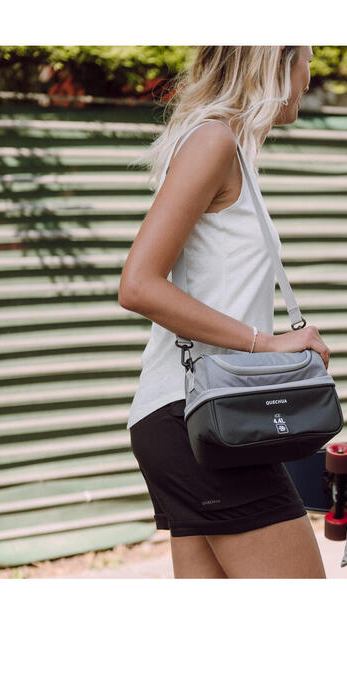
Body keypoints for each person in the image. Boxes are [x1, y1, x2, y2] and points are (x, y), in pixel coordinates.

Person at [119, 46, 329, 578]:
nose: (311, 73)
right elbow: (139, 285)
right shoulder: (214, 140)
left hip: (193, 417)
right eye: (307, 56)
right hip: (203, 419)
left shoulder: (228, 147)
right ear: (276, 61)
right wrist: (268, 342)